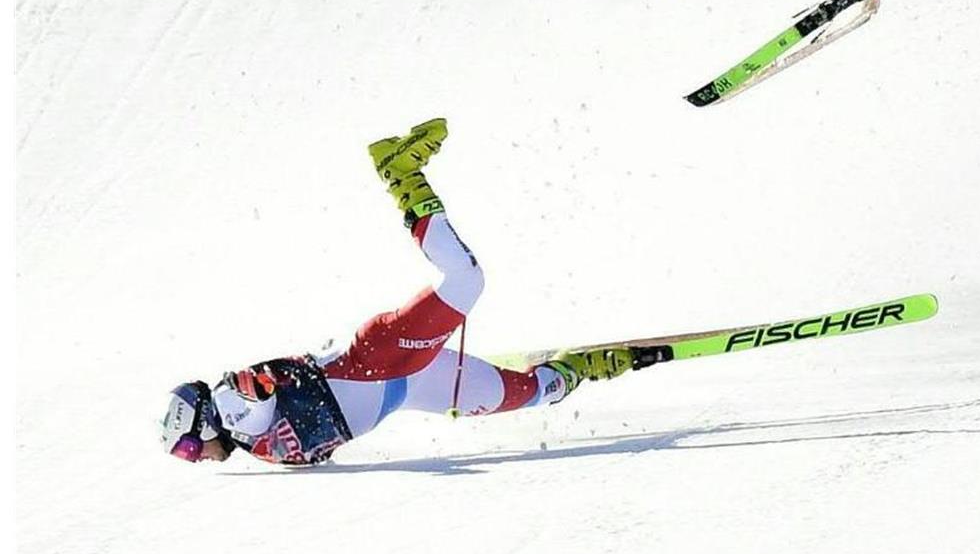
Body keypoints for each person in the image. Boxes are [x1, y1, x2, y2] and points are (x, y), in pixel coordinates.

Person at [160, 118, 634, 465]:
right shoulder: (246, 441)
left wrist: (251, 388)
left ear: (205, 421)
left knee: (467, 280)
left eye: (187, 447)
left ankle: (402, 173)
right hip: (407, 387)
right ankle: (579, 368)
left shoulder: (233, 409)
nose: (194, 457)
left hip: (378, 361)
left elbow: (253, 393)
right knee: (525, 394)